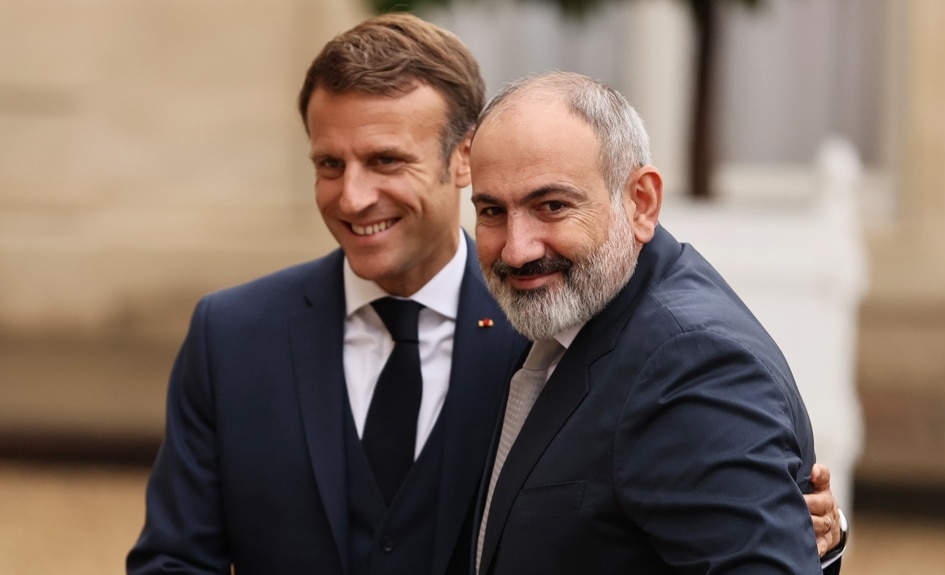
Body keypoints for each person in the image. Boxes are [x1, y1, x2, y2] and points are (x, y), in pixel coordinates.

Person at [127, 13, 844, 575]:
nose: (351, 194)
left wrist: (801, 537)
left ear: (462, 159)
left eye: (385, 160)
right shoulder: (232, 334)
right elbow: (173, 558)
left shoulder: (554, 322)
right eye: (328, 162)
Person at [469, 70, 842, 574]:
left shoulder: (694, 365)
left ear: (641, 202)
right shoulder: (558, 311)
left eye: (552, 206)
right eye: (492, 210)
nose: (516, 249)